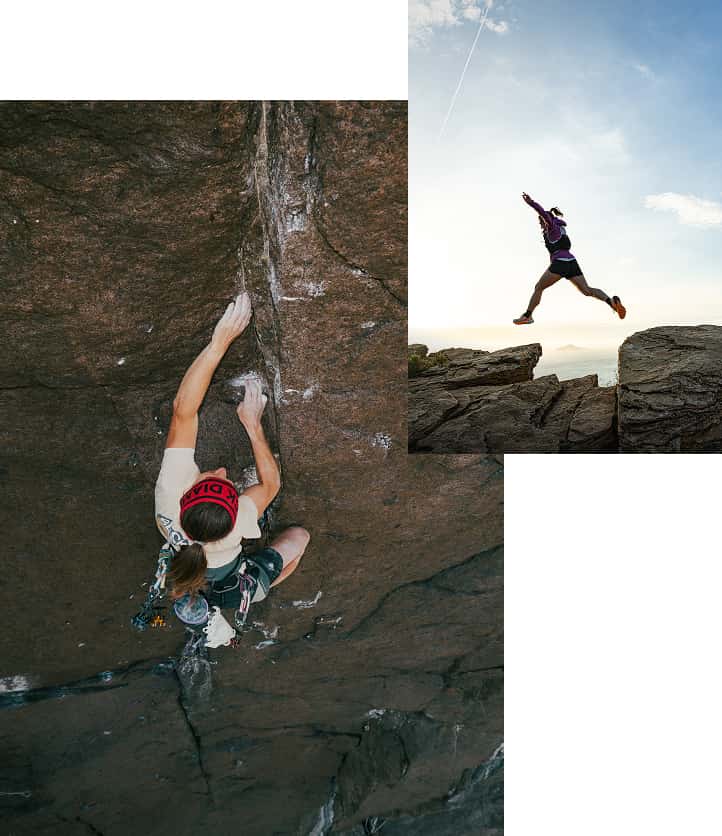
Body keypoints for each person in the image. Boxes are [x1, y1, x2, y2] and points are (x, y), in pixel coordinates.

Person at [153, 292, 310, 620]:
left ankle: (196, 591)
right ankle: (253, 589)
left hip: (198, 560)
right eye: (228, 484)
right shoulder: (237, 523)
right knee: (300, 538)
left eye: (213, 479)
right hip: (226, 568)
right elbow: (271, 483)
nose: (223, 470)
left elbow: (184, 411)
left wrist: (219, 343)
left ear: (185, 497)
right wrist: (252, 425)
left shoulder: (171, 491)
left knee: (210, 575)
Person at [513, 192, 626, 324]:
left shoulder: (552, 228)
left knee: (539, 287)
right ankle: (611, 302)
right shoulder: (560, 228)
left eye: (541, 222)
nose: (541, 224)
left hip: (560, 264)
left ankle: (527, 315)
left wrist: (531, 202)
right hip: (571, 262)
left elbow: (543, 213)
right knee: (587, 290)